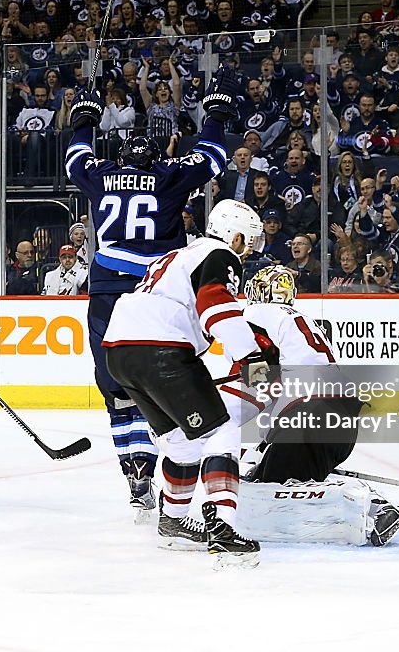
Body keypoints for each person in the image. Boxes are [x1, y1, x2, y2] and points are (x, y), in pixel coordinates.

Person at [65, 65, 239, 520]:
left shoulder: (101, 176)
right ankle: (178, 459)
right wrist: (215, 113)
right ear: (161, 152)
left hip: (106, 286)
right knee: (164, 373)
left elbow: (74, 158)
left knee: (116, 384)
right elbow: (214, 155)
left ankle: (136, 470)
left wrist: (84, 119)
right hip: (155, 289)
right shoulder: (168, 176)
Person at [103, 199, 270, 567]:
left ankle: (174, 521)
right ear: (237, 236)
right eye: (251, 241)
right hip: (160, 348)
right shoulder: (220, 253)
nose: (250, 250)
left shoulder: (181, 254)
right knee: (220, 430)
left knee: (181, 441)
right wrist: (253, 362)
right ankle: (223, 531)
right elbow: (215, 306)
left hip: (119, 351)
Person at [220, 265, 399, 546]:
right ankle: (376, 508)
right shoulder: (298, 320)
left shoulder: (254, 316)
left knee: (271, 488)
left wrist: (214, 423)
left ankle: (375, 504)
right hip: (343, 418)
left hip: (307, 416)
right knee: (274, 475)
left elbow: (259, 385)